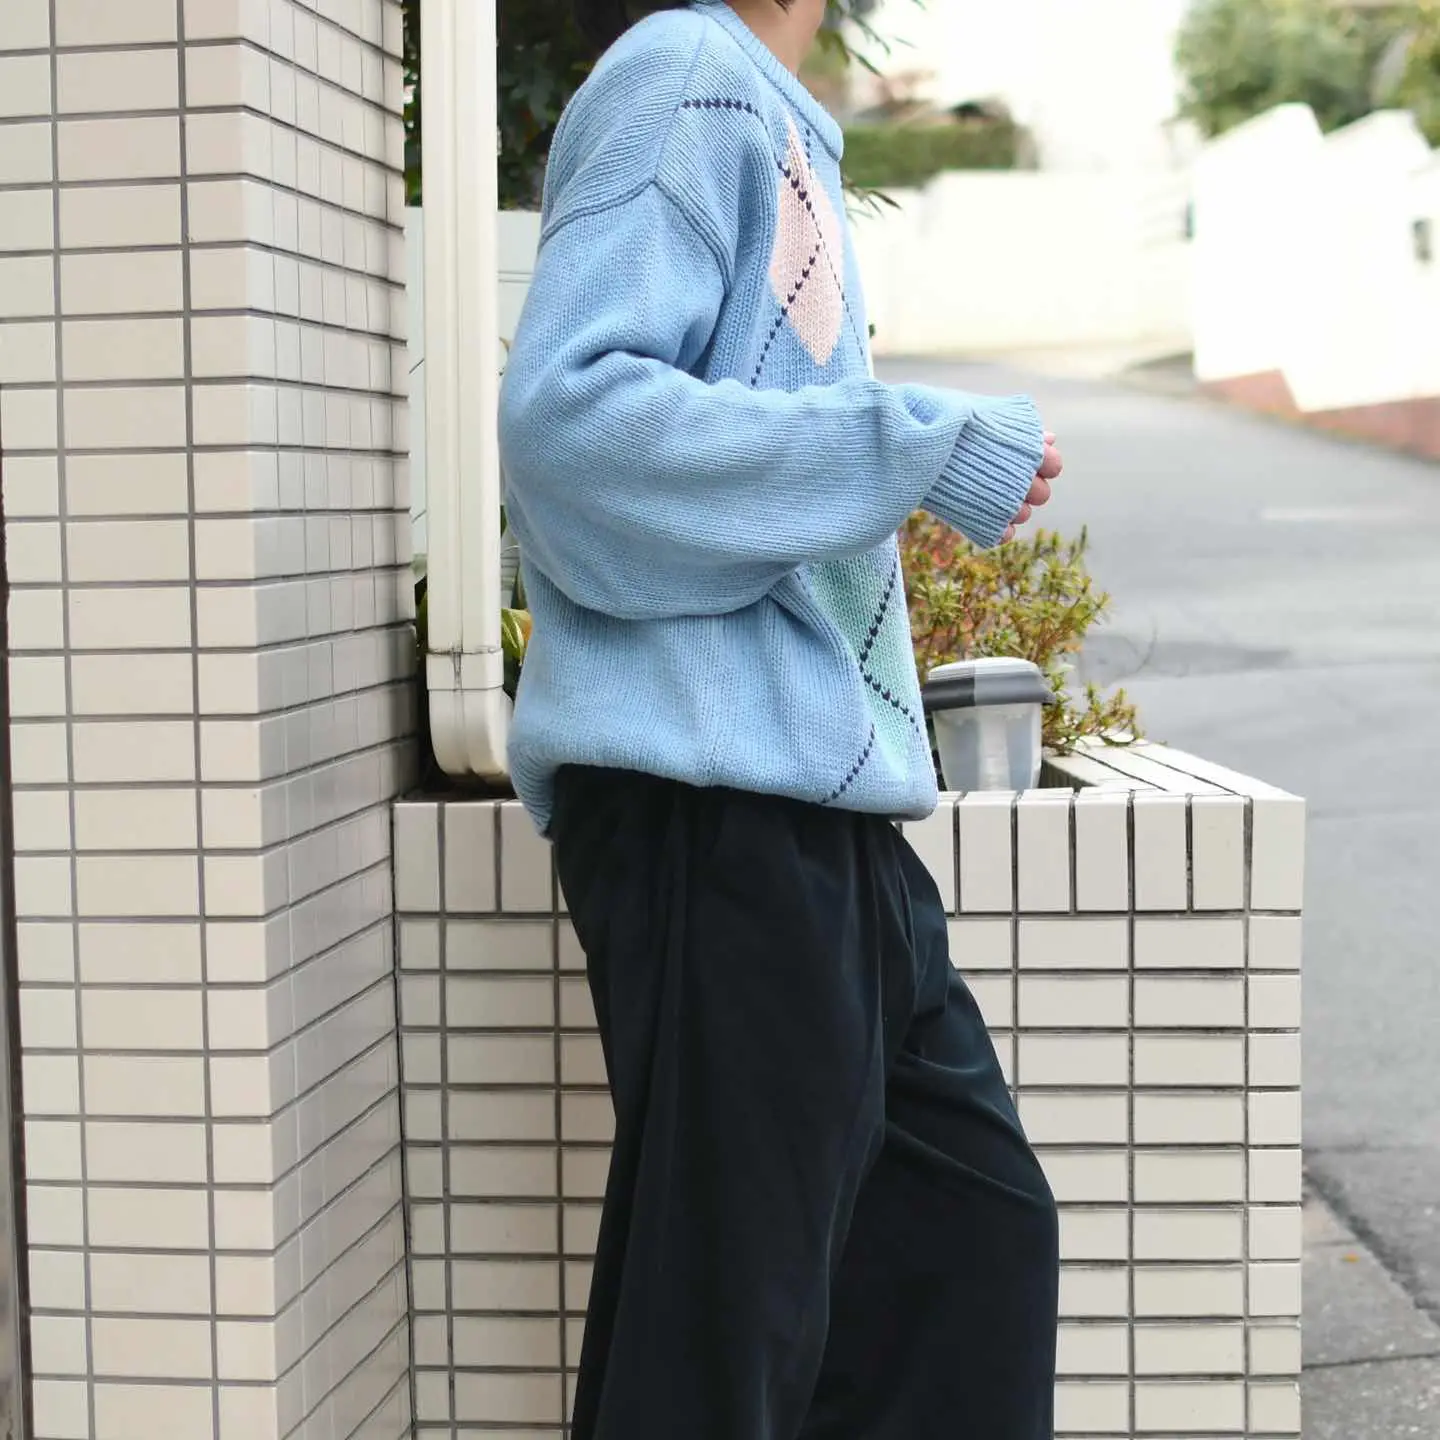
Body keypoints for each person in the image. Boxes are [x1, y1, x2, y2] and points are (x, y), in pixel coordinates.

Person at [498, 1, 1063, 1436]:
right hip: (715, 805)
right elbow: (571, 433)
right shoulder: (684, 77)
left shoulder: (765, 109)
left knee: (970, 1252)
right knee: (721, 1346)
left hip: (822, 808)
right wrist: (908, 444)